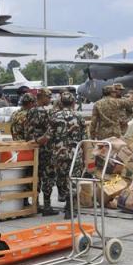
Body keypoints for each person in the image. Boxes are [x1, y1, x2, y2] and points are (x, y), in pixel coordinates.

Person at [39, 92, 86, 220]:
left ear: (61, 102)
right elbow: (84, 141)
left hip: (58, 153)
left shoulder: (54, 116)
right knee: (73, 179)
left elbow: (47, 137)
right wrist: (85, 158)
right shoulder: (79, 117)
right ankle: (70, 209)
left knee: (61, 178)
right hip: (75, 154)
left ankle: (63, 200)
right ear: (73, 103)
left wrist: (36, 141)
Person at [25, 88, 59, 216]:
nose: (50, 100)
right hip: (46, 149)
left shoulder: (30, 111)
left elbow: (27, 130)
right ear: (42, 97)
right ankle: (47, 206)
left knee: (35, 175)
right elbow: (51, 132)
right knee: (48, 177)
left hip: (33, 148)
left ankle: (35, 203)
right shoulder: (49, 112)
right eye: (49, 97)